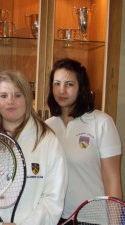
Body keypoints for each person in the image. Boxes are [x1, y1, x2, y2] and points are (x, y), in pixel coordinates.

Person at [0, 70, 68, 225]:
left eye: (18, 95)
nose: (10, 101)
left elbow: (53, 198)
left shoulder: (48, 141)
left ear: (28, 99)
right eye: (4, 96)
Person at [45, 58, 122, 224]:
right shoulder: (47, 127)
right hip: (56, 218)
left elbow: (112, 180)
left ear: (81, 88)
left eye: (69, 84)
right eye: (57, 83)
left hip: (93, 218)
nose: (62, 90)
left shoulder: (101, 122)